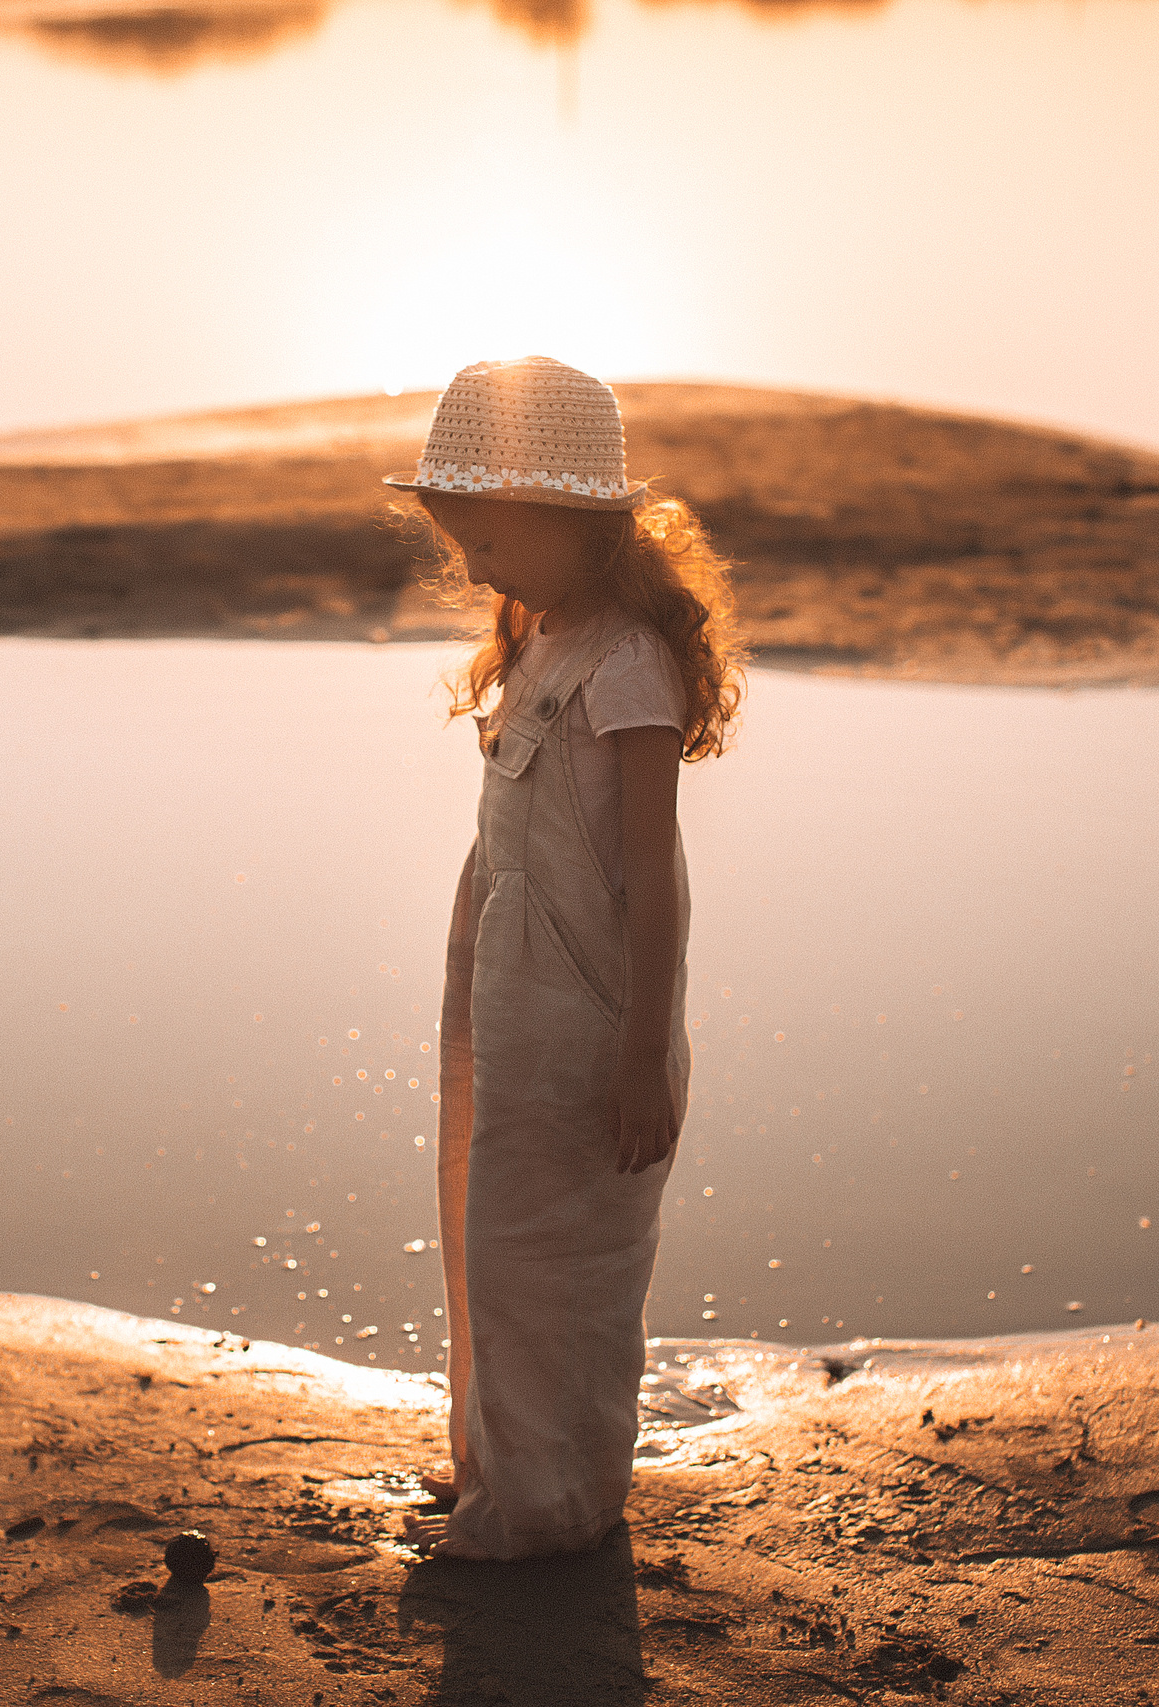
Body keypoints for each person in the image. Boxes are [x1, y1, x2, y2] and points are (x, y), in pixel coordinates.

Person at [384, 356, 745, 1560]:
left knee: (563, 1262)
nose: (474, 566)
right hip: (511, 986)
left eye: (485, 538)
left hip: (590, 1007)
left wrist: (643, 1053)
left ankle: (549, 1507)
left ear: (565, 520)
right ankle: (497, 1465)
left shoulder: (628, 662)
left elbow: (653, 879)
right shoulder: (544, 632)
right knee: (496, 1236)